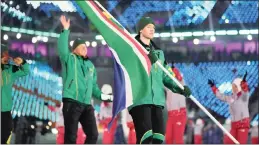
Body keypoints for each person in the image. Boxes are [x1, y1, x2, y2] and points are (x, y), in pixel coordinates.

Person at [128, 17, 192, 144]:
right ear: (140, 30)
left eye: (153, 27)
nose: (152, 29)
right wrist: (145, 57)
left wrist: (180, 88)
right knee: (145, 138)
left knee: (158, 139)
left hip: (157, 100)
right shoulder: (132, 51)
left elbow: (167, 75)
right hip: (140, 100)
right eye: (148, 27)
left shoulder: (159, 54)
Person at [57, 15, 113, 144]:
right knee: (71, 137)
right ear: (75, 49)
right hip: (71, 102)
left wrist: (108, 97)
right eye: (81, 46)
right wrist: (65, 30)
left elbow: (94, 88)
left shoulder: (90, 66)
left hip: (86, 104)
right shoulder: (69, 59)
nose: (85, 48)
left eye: (85, 46)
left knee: (93, 134)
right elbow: (62, 49)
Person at [208, 72, 250, 144]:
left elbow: (245, 89)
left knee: (241, 143)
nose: (233, 88)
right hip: (234, 125)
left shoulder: (244, 96)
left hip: (242, 124)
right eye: (233, 86)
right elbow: (221, 96)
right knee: (228, 141)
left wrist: (244, 83)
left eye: (235, 86)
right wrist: (213, 87)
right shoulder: (231, 97)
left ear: (239, 87)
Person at [1, 44, 30, 144]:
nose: (4, 56)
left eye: (5, 53)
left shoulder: (10, 69)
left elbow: (25, 71)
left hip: (5, 109)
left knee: (7, 130)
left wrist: (22, 62)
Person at [165, 65, 187, 144]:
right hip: (170, 115)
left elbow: (181, 81)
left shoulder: (181, 84)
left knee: (178, 140)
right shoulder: (169, 86)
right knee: (168, 138)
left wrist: (176, 72)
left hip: (179, 114)